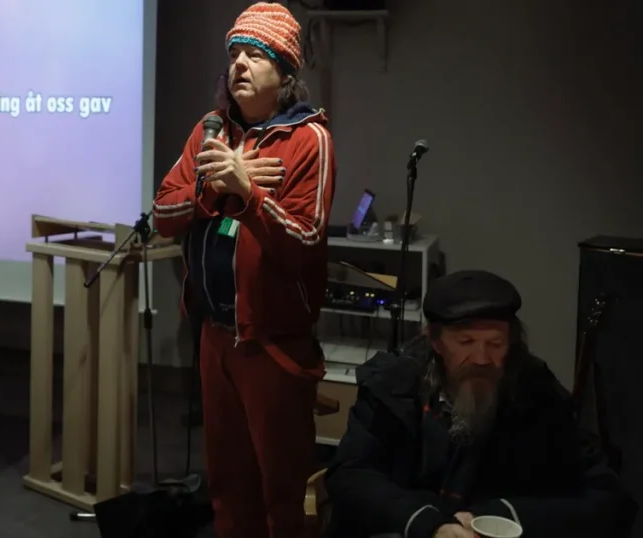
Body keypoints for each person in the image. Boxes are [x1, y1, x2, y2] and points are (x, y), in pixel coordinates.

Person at [152, 3, 336, 537]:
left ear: (285, 72)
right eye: (234, 53)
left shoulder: (309, 139)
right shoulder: (210, 130)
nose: (239, 64)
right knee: (227, 485)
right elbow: (163, 213)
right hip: (214, 335)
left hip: (272, 345)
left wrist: (247, 191)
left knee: (280, 491)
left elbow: (304, 241)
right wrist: (213, 188)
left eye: (255, 55)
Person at [324, 270, 635, 538]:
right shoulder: (393, 385)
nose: (482, 359)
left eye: (495, 344)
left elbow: (609, 500)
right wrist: (426, 523)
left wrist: (505, 514)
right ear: (436, 342)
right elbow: (350, 475)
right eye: (466, 343)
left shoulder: (538, 393)